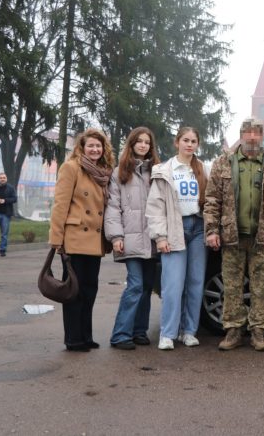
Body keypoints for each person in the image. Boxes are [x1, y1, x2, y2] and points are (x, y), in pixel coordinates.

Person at [204, 118, 264, 352]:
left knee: (260, 287)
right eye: (248, 133)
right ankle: (233, 331)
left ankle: (259, 332)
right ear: (241, 135)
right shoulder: (224, 162)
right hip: (231, 236)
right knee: (232, 287)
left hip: (262, 236)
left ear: (262, 136)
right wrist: (212, 230)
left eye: (256, 133)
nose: (252, 137)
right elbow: (212, 200)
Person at [48, 128, 114, 352]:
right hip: (75, 238)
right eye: (91, 146)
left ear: (103, 149)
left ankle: (86, 335)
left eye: (98, 146)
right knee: (74, 291)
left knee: (89, 289)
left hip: (94, 240)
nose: (95, 149)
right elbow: (60, 205)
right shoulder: (71, 168)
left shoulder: (103, 172)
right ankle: (73, 339)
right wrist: (56, 239)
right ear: (82, 148)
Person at [147, 127, 209, 351]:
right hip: (175, 228)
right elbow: (155, 206)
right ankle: (168, 333)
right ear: (177, 142)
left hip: (199, 228)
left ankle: (189, 331)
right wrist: (160, 236)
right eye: (185, 140)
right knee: (173, 284)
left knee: (195, 282)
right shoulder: (165, 170)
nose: (189, 144)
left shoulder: (203, 169)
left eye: (193, 141)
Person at [104, 127, 160, 350]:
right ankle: (120, 335)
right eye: (139, 141)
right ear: (132, 144)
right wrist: (116, 236)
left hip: (152, 239)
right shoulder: (120, 173)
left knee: (146, 287)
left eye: (147, 142)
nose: (143, 145)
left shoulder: (156, 172)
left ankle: (139, 331)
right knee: (135, 285)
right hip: (130, 238)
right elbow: (113, 207)